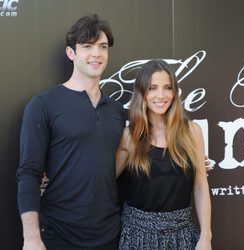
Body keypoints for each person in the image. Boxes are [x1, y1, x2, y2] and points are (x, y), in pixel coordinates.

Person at [16, 14, 125, 250]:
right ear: (71, 53)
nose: (96, 53)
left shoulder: (117, 111)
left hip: (109, 234)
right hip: (58, 234)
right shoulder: (43, 105)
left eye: (102, 47)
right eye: (87, 46)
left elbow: (133, 159)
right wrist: (32, 238)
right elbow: (28, 174)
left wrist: (192, 161)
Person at [116, 59, 212, 249]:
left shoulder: (192, 132)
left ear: (174, 92)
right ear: (142, 92)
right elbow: (103, 181)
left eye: (167, 88)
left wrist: (206, 236)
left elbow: (201, 185)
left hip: (182, 236)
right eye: (152, 88)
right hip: (137, 237)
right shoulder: (130, 136)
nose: (161, 95)